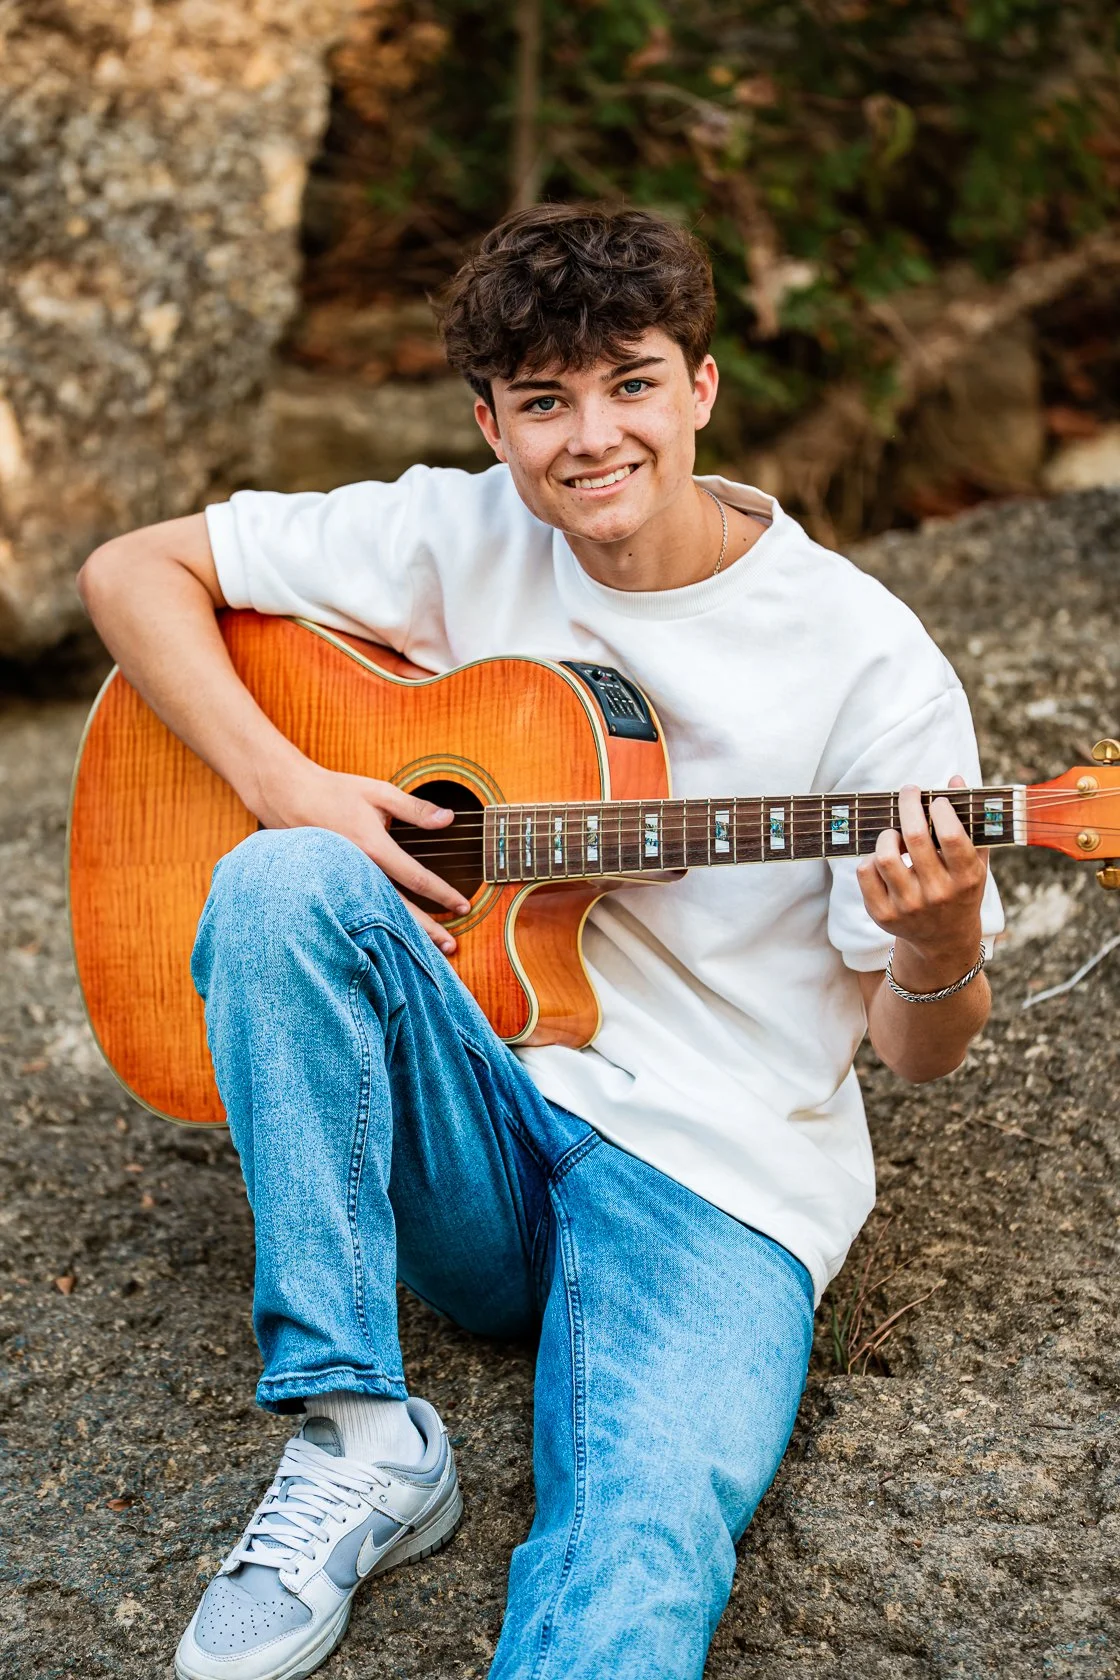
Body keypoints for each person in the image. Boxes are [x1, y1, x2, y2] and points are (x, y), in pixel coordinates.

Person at [77, 203, 1002, 1680]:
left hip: (717, 1182)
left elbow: (921, 1048)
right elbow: (132, 572)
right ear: (491, 422)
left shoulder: (864, 658)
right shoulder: (461, 523)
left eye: (632, 383)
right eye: (545, 401)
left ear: (701, 387)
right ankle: (358, 1429)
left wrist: (938, 937)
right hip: (483, 1119)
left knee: (638, 1547)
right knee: (280, 877)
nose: (593, 437)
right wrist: (289, 783)